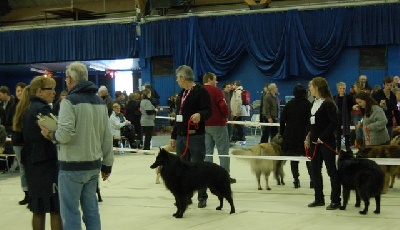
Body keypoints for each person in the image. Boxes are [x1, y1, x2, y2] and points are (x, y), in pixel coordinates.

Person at [40, 62, 114, 230]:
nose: (65, 81)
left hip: (72, 167)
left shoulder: (69, 102)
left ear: (71, 79)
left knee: (70, 212)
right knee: (92, 210)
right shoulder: (100, 102)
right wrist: (107, 164)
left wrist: (51, 134)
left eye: (66, 78)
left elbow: (64, 135)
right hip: (93, 166)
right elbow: (106, 136)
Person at [17, 76, 62, 230]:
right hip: (46, 163)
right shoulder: (42, 110)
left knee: (38, 209)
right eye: (51, 89)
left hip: (31, 163)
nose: (54, 93)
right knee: (56, 209)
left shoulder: (27, 109)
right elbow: (57, 134)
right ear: (40, 91)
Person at [170, 65, 212, 209]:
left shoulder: (201, 92)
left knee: (198, 167)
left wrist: (200, 115)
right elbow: (178, 116)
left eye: (177, 78)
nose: (177, 81)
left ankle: (202, 196)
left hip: (196, 137)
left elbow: (208, 110)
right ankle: (185, 197)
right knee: (181, 168)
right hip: (181, 136)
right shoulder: (181, 94)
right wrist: (174, 135)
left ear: (183, 78)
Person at [305, 77, 341, 210]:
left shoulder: (328, 103)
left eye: (311, 86)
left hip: (327, 143)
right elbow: (310, 123)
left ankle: (336, 200)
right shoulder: (313, 103)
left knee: (331, 171)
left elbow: (334, 123)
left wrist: (323, 137)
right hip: (315, 143)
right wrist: (307, 137)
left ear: (317, 88)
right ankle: (318, 198)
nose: (310, 88)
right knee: (315, 171)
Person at [203, 72, 236, 184]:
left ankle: (207, 175)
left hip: (204, 125)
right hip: (218, 124)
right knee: (223, 151)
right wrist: (226, 116)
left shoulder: (199, 91)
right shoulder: (216, 91)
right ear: (209, 79)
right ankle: (224, 175)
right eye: (215, 79)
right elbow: (223, 106)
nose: (216, 82)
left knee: (208, 151)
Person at [280, 84, 313, 189]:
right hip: (305, 136)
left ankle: (296, 180)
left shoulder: (289, 104)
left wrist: (282, 133)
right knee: (308, 158)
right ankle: (312, 180)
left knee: (294, 159)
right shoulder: (309, 105)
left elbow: (282, 120)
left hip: (291, 136)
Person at [10, 82, 28, 205]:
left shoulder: (29, 106)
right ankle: (26, 193)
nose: (19, 93)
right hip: (17, 141)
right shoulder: (12, 107)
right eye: (17, 91)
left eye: (21, 90)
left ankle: (33, 192)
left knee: (29, 168)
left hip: (28, 141)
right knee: (22, 169)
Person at [333, 82, 353, 152]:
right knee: (338, 135)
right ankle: (338, 150)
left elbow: (351, 108)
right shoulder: (334, 98)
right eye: (341, 88)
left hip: (346, 118)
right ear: (338, 89)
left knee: (347, 135)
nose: (342, 90)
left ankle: (348, 150)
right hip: (337, 118)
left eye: (344, 88)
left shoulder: (349, 97)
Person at [230, 80, 248, 145]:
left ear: (236, 85)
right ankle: (239, 138)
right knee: (238, 126)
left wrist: (238, 112)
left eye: (234, 85)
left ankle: (242, 139)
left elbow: (239, 102)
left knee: (240, 126)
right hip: (237, 112)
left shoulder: (238, 92)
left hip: (238, 113)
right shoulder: (238, 91)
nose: (233, 86)